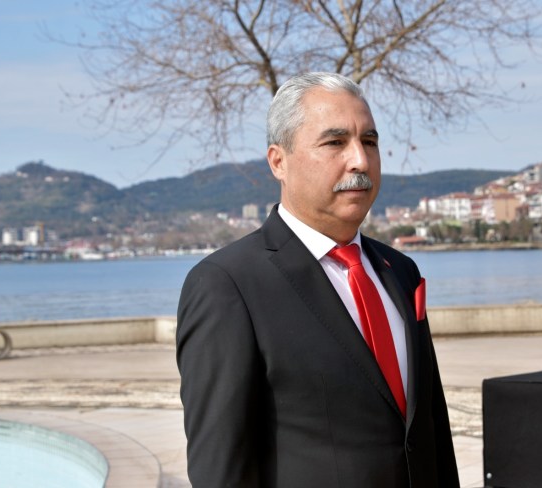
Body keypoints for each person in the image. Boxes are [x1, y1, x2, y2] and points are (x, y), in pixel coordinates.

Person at [176, 72, 460, 487]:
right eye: (335, 142)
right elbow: (221, 470)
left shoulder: (400, 272)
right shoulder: (227, 285)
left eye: (369, 141)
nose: (360, 160)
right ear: (279, 161)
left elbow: (431, 429)